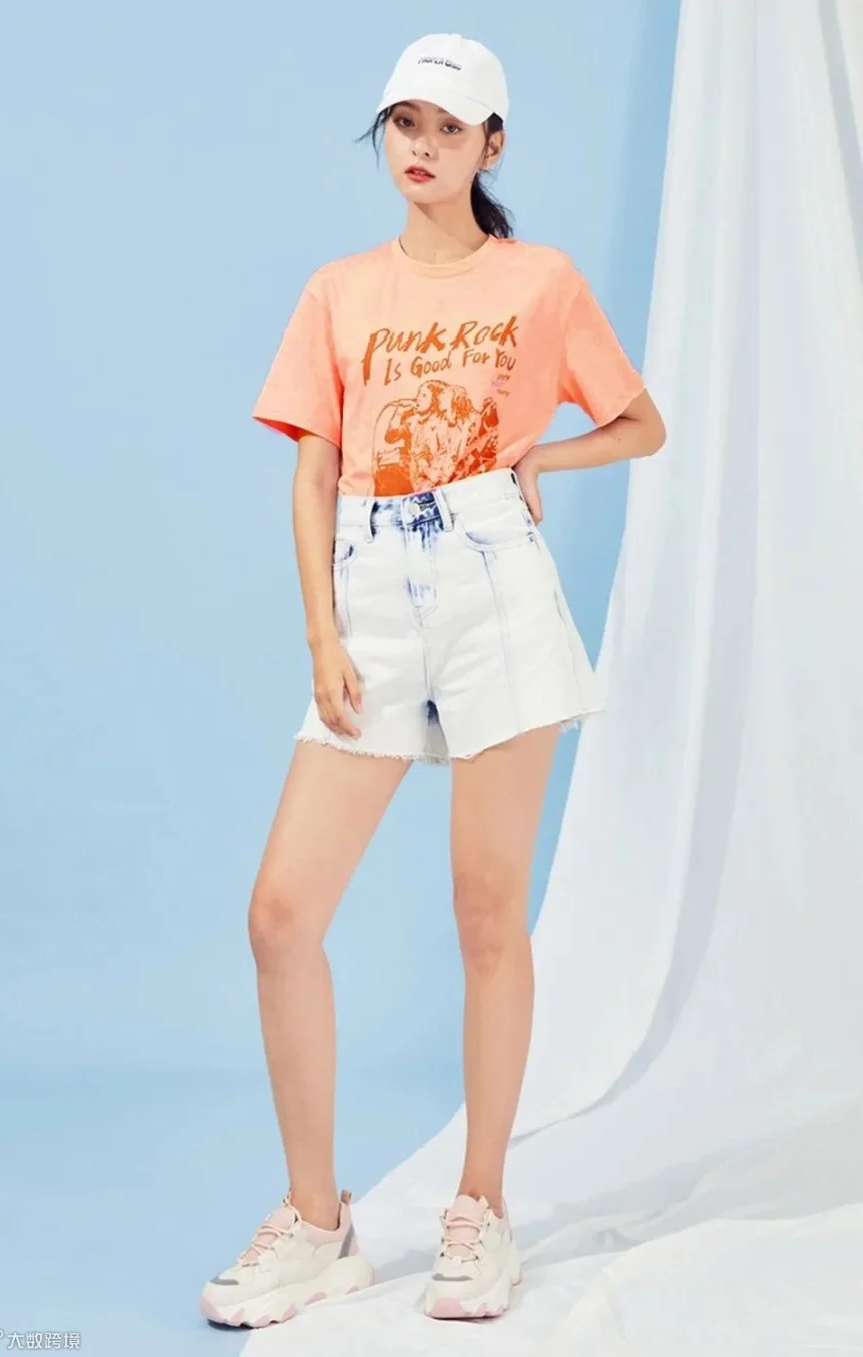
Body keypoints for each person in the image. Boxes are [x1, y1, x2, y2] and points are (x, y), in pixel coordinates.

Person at [200, 31, 666, 1331]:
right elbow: (312, 471)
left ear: (491, 145)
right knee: (281, 914)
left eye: (448, 128)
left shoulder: (541, 280)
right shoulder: (340, 290)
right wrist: (322, 636)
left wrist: (541, 463)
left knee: (486, 912)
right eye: (404, 123)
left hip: (492, 583)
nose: (420, 146)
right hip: (368, 595)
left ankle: (480, 1209)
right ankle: (319, 1222)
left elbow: (642, 421)